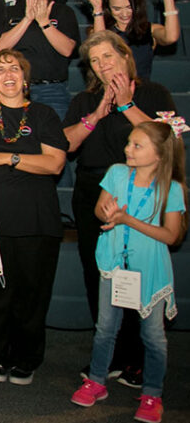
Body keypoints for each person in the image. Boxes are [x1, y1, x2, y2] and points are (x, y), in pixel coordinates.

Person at [62, 31, 179, 388]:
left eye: (107, 56)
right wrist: (97, 113)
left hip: (141, 191)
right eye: (94, 61)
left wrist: (127, 106)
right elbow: (66, 145)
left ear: (125, 55)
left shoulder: (153, 93)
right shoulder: (85, 99)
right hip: (94, 192)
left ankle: (137, 358)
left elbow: (172, 138)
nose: (101, 65)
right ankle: (107, 356)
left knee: (140, 274)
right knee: (99, 272)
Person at [69, 120, 185, 423]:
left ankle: (152, 393)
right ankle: (96, 380)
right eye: (128, 143)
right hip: (114, 265)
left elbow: (171, 236)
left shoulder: (171, 188)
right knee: (106, 327)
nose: (127, 150)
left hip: (150, 270)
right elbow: (99, 209)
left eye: (136, 145)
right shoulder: (117, 174)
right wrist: (106, 213)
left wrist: (127, 220)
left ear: (159, 154)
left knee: (153, 335)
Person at [0, 49, 67, 386]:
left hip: (35, 220)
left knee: (31, 295)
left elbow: (54, 164)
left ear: (26, 78)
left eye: (15, 69)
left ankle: (25, 358)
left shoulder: (44, 114)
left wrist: (4, 157)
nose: (8, 75)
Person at [0, 0, 79, 121]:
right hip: (17, 89)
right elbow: (1, 47)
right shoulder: (10, 12)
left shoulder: (63, 11)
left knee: (55, 142)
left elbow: (67, 49)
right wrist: (27, 19)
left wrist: (44, 23)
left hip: (53, 90)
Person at [75, 0, 184, 80]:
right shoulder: (99, 30)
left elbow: (170, 37)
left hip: (141, 92)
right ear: (108, 8)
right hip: (110, 92)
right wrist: (98, 10)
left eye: (129, 7)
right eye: (117, 9)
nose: (124, 14)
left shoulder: (149, 30)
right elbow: (100, 44)